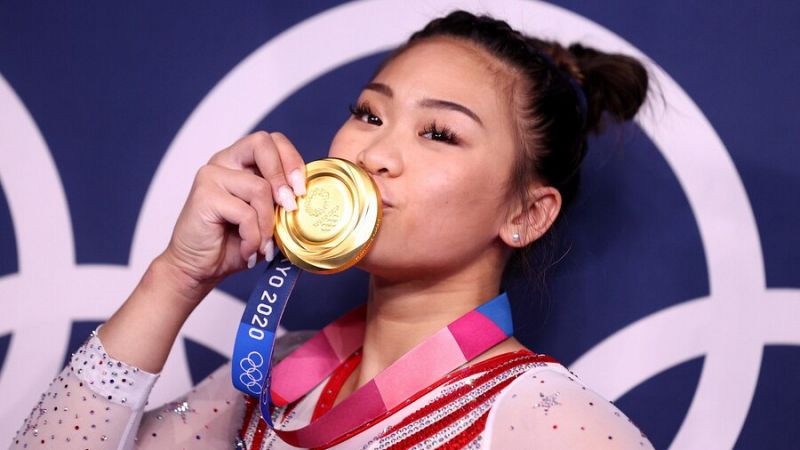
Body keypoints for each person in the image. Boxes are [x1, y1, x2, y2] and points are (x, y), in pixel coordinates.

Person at [12, 10, 654, 450]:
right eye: (369, 114)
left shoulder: (541, 420)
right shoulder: (279, 379)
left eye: (439, 133)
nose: (373, 153)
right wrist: (177, 276)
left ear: (525, 215)